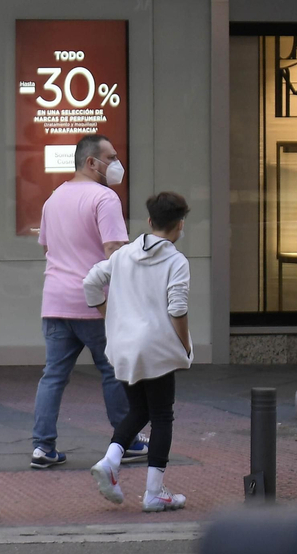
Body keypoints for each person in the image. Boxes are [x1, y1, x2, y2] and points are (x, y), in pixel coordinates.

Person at [30, 133, 143, 469]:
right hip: (97, 302)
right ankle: (127, 441)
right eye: (111, 158)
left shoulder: (53, 199)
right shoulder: (104, 198)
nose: (117, 164)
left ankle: (42, 447)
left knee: (53, 376)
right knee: (112, 370)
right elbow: (114, 251)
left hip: (55, 301)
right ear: (92, 162)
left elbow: (46, 246)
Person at [85, 192, 193, 512]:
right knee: (161, 415)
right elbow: (177, 309)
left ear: (149, 221)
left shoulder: (123, 255)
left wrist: (109, 315)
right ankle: (154, 492)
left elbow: (90, 282)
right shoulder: (176, 261)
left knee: (139, 410)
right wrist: (185, 345)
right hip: (157, 349)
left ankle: (110, 461)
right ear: (180, 224)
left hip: (123, 346)